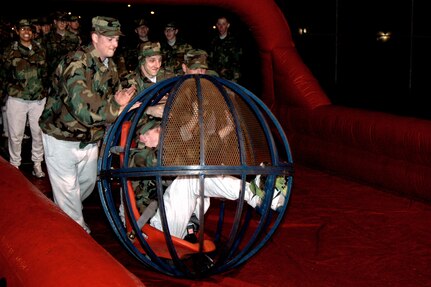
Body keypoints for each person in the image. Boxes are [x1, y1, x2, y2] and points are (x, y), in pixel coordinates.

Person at [39, 16, 138, 234]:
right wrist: (117, 107)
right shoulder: (75, 63)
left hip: (89, 140)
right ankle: (77, 236)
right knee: (70, 197)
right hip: (61, 138)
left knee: (86, 186)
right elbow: (84, 110)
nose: (115, 44)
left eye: (116, 40)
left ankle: (60, 211)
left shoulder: (109, 65)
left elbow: (116, 93)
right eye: (110, 39)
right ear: (95, 38)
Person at [1, 19, 48, 177]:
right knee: (15, 135)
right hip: (17, 98)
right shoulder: (10, 51)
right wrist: (8, 90)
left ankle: (37, 164)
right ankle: (15, 165)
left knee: (38, 133)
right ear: (17, 31)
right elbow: (3, 74)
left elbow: (46, 72)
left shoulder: (40, 49)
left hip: (37, 99)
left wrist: (44, 90)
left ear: (33, 32)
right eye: (23, 29)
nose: (26, 32)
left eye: (29, 29)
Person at [45, 11, 80, 78]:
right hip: (53, 73)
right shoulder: (47, 38)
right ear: (55, 22)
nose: (62, 23)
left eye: (64, 21)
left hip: (68, 73)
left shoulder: (74, 38)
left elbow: (77, 55)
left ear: (67, 23)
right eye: (60, 21)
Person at [208, 16, 242, 83]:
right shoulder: (213, 41)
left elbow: (238, 61)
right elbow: (210, 60)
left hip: (231, 78)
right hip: (216, 77)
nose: (221, 27)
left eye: (223, 24)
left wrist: (226, 70)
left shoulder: (235, 42)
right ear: (217, 25)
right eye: (219, 24)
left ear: (228, 25)